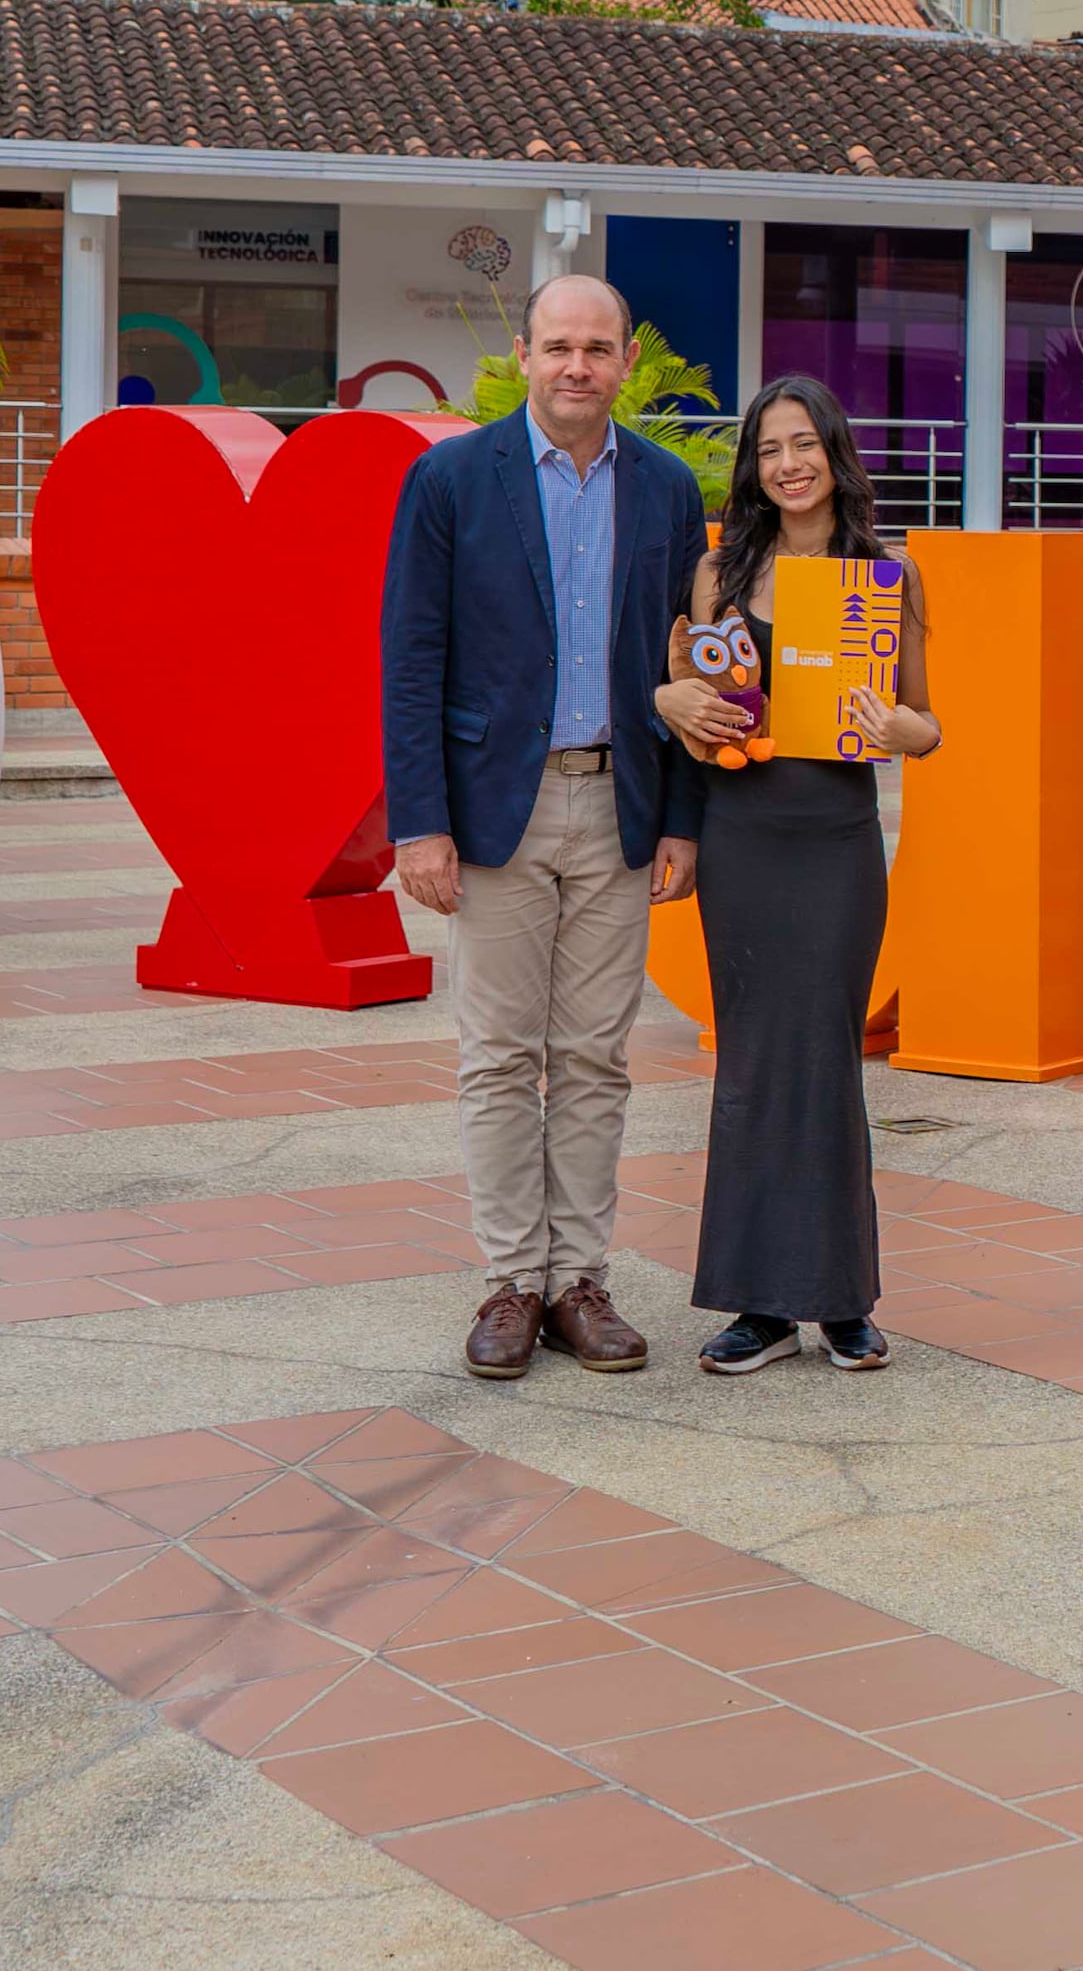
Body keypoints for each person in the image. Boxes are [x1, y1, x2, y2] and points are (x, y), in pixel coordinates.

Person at [382, 274, 713, 1379]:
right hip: (493, 812)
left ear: (627, 364)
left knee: (592, 1059)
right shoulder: (448, 479)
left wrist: (681, 818)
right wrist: (418, 824)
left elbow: (684, 664)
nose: (578, 365)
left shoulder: (667, 490)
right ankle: (511, 1282)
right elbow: (410, 661)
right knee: (497, 1055)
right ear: (523, 353)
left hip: (619, 800)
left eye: (599, 347)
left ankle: (581, 1281)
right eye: (559, 344)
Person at [655, 377, 936, 1374]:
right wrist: (674, 700)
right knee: (749, 1068)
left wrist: (904, 733)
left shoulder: (881, 577)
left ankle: (840, 1299)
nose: (787, 464)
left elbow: (924, 722)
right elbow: (688, 703)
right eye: (769, 448)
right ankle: (756, 1307)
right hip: (742, 840)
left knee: (823, 1066)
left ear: (835, 454)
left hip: (834, 846)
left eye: (804, 444)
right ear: (753, 467)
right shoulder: (718, 574)